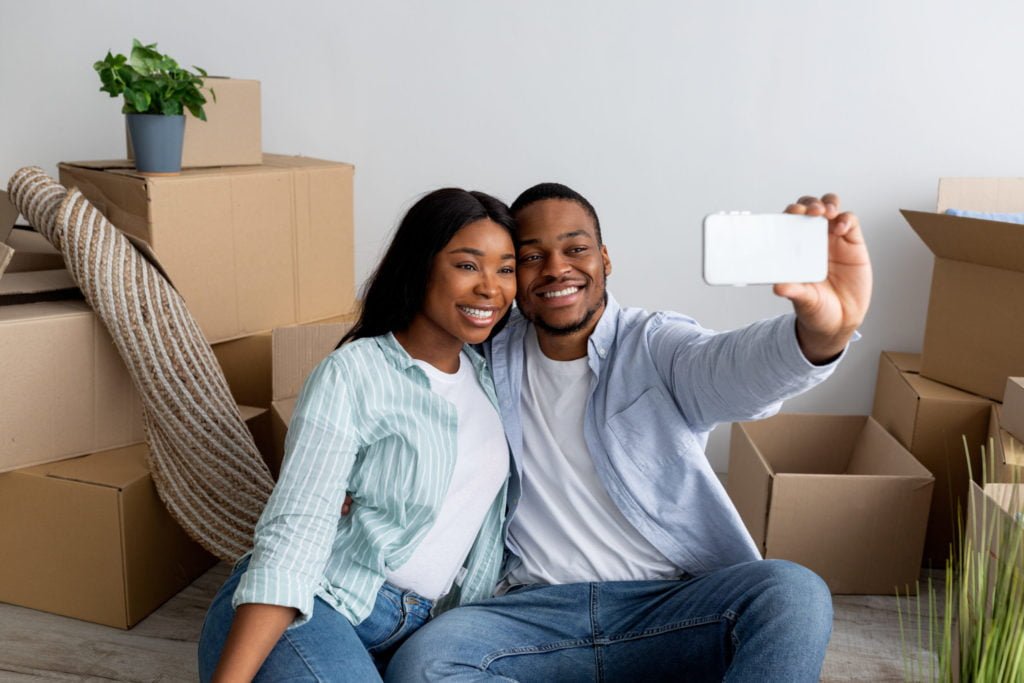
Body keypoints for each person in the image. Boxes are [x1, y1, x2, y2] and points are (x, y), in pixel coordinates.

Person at [385, 185, 872, 682]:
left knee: (791, 592)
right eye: (532, 256)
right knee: (426, 662)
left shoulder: (656, 344)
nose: (556, 268)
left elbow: (734, 369)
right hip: (530, 614)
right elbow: (399, 391)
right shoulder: (482, 355)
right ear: (512, 274)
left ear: (605, 259)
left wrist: (822, 332)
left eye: (575, 249)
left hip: (668, 608)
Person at [197, 188, 519, 682]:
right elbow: (295, 533)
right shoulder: (353, 374)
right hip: (315, 603)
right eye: (468, 265)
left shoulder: (490, 378)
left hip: (421, 631)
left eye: (506, 268)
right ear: (420, 265)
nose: (490, 288)